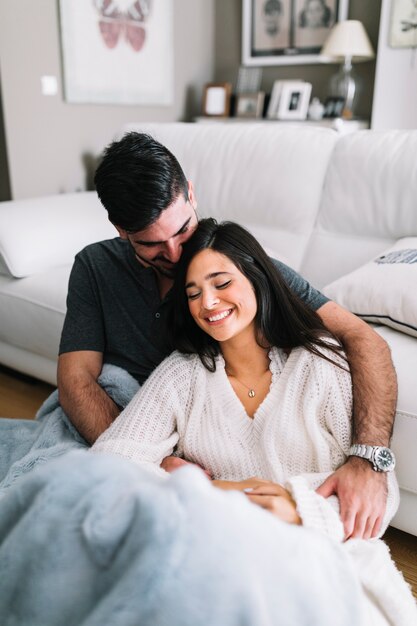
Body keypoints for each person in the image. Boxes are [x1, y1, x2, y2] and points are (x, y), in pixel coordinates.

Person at [57, 131, 397, 540]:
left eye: (182, 230)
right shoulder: (96, 268)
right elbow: (76, 380)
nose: (176, 254)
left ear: (191, 195)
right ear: (120, 231)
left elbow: (364, 340)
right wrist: (162, 461)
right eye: (152, 245)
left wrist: (369, 458)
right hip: (138, 428)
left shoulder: (240, 268)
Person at [92, 219, 416, 624]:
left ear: (257, 278)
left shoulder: (319, 362)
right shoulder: (181, 374)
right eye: (193, 293)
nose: (207, 302)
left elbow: (375, 494)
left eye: (221, 283)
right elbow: (107, 461)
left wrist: (301, 512)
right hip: (216, 548)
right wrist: (210, 488)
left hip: (319, 550)